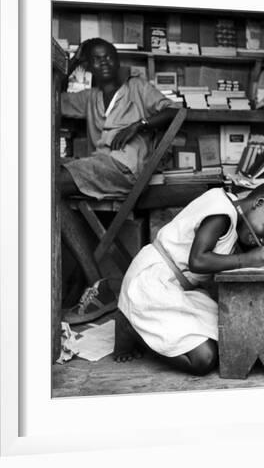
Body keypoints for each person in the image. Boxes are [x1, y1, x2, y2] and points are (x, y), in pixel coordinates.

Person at [114, 182, 264, 375]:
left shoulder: (234, 215)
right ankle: (133, 329)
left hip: (176, 289)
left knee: (230, 337)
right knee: (204, 359)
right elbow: (198, 261)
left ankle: (144, 327)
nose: (262, 240)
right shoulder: (221, 214)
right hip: (151, 284)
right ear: (260, 203)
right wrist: (247, 259)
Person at [58, 38, 178, 324]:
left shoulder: (137, 88)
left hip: (123, 169)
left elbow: (173, 111)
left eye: (110, 57)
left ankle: (98, 285)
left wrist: (141, 124)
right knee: (48, 184)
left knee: (48, 186)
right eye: (97, 60)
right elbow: (53, 101)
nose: (105, 63)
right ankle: (93, 283)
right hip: (98, 168)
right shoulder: (89, 97)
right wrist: (69, 67)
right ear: (88, 68)